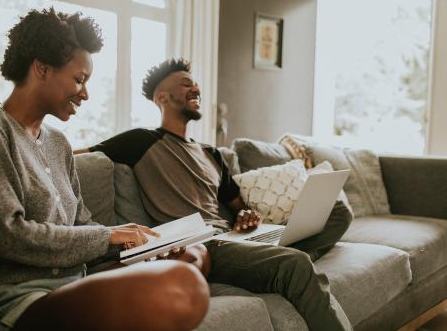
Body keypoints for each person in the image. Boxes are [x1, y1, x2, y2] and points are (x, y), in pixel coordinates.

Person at [0, 10, 210, 331]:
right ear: (41, 68)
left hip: (74, 281)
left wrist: (139, 249)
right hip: (14, 298)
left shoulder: (58, 143)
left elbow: (82, 226)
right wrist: (109, 235)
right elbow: (5, 236)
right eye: (79, 79)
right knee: (182, 287)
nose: (85, 93)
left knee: (194, 256)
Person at [78, 58, 355, 330]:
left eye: (195, 83)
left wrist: (246, 217)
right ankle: (287, 265)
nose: (195, 88)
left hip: (235, 237)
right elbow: (75, 155)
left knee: (339, 213)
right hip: (203, 243)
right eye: (186, 84)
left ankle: (278, 260)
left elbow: (241, 208)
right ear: (162, 97)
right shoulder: (140, 140)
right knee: (296, 264)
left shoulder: (212, 154)